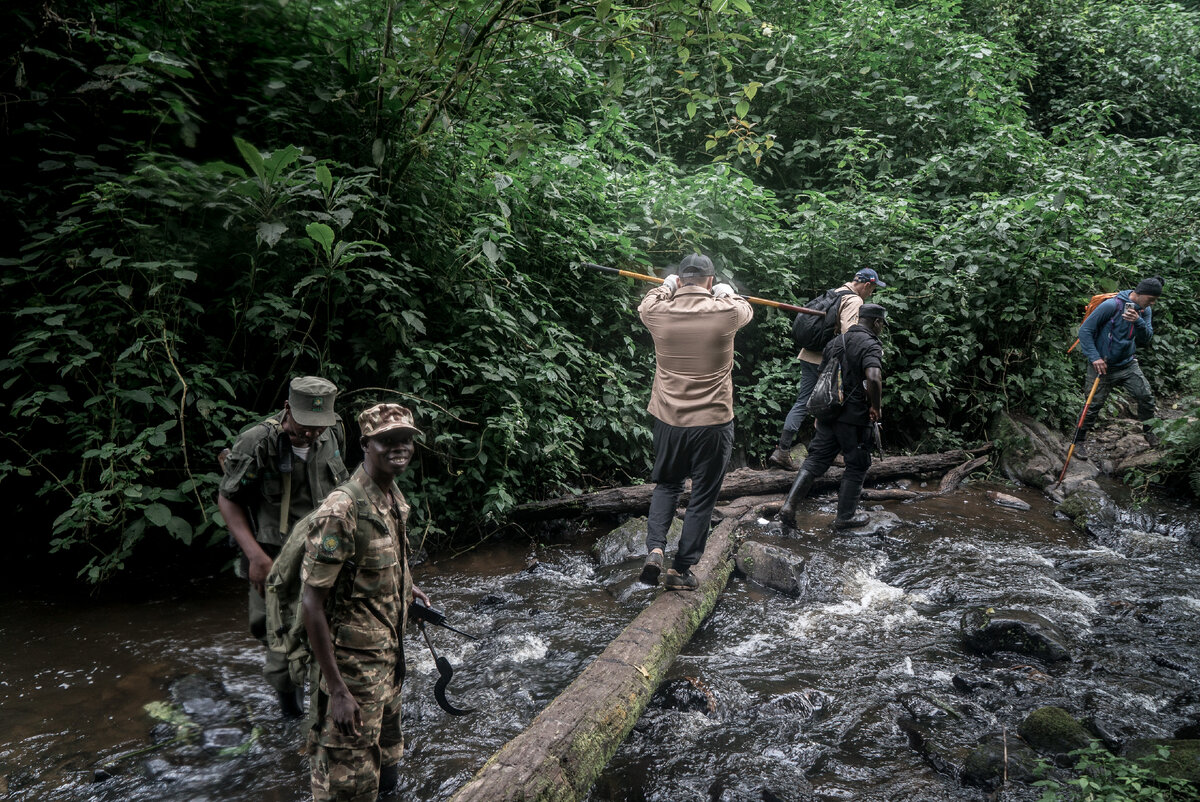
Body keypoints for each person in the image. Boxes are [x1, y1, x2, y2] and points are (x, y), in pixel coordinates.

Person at [301, 403, 430, 802]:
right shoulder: (341, 511)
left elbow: (379, 562)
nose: (399, 447)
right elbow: (311, 603)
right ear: (365, 444)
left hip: (390, 663)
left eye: (405, 439)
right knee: (347, 787)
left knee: (387, 771)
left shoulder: (392, 496)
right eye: (387, 440)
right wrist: (337, 690)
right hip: (353, 675)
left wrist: (408, 588)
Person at [217, 376, 350, 717]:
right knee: (275, 636)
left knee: (334, 627)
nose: (312, 434)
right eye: (306, 425)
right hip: (273, 557)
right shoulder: (257, 442)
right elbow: (228, 499)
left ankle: (331, 704)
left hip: (325, 548)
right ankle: (290, 717)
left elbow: (344, 493)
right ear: (288, 408)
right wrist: (255, 557)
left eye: (319, 426)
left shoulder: (333, 432)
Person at [636, 253, 754, 590]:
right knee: (703, 495)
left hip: (668, 419)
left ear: (679, 279)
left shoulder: (658, 312)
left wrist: (666, 286)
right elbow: (745, 309)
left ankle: (655, 549)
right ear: (709, 280)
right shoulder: (727, 311)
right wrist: (725, 292)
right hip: (713, 422)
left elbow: (649, 302)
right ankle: (681, 570)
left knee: (668, 484)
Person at [779, 304, 886, 530]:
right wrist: (875, 406)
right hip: (855, 417)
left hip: (828, 414)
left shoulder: (835, 342)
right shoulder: (870, 344)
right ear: (876, 322)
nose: (881, 329)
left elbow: (822, 378)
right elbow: (874, 377)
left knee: (815, 461)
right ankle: (844, 518)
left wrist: (820, 414)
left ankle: (789, 505)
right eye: (881, 325)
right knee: (857, 464)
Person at [769, 268, 885, 471]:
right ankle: (825, 452)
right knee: (833, 403)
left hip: (808, 354)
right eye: (872, 289)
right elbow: (850, 335)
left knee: (804, 402)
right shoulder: (854, 301)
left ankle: (785, 450)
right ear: (867, 285)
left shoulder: (835, 292)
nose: (871, 293)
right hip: (826, 361)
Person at [1074, 276, 1164, 459]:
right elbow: (1085, 331)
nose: (1152, 304)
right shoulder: (1111, 306)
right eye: (1151, 299)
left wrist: (1137, 321)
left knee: (1145, 395)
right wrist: (1095, 358)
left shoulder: (1144, 311)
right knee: (1092, 406)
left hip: (1127, 364)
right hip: (1102, 366)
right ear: (1139, 294)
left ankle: (1149, 432)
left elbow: (1146, 339)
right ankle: (1078, 442)